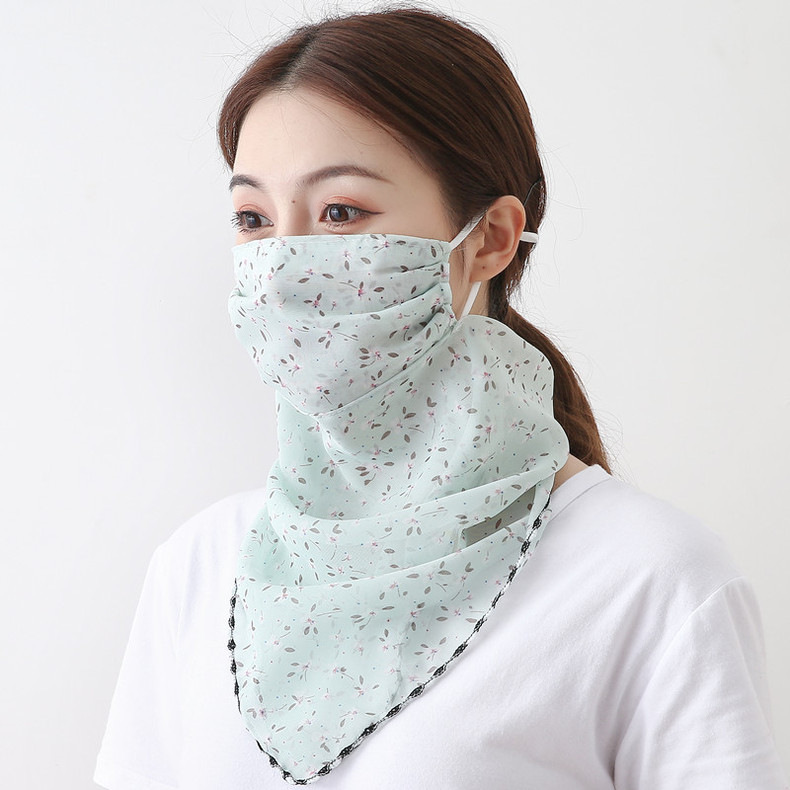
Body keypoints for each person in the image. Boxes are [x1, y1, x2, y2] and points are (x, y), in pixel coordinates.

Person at [94, 7, 787, 789]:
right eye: (254, 219)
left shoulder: (650, 577)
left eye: (341, 212)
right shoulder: (201, 566)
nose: (283, 268)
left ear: (490, 238)